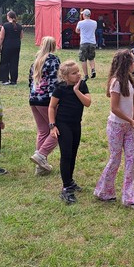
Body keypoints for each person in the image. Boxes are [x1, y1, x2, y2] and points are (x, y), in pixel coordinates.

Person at [94, 49, 134, 208]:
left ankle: (129, 196)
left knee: (130, 159)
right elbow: (114, 108)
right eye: (133, 61)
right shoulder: (116, 82)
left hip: (128, 127)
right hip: (116, 126)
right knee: (115, 159)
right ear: (126, 63)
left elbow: (132, 104)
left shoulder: (130, 81)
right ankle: (104, 191)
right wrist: (130, 120)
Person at [49, 60, 91, 204]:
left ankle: (70, 181)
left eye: (78, 71)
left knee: (73, 153)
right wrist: (52, 126)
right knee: (66, 154)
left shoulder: (82, 85)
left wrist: (77, 91)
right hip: (63, 124)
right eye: (74, 73)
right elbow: (51, 107)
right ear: (65, 76)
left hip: (76, 124)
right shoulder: (60, 88)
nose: (78, 74)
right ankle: (66, 187)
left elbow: (87, 103)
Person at [29, 36, 60, 176]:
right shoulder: (53, 60)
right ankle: (41, 155)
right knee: (58, 130)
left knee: (42, 131)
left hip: (34, 98)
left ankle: (40, 167)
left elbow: (30, 81)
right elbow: (54, 81)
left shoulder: (36, 60)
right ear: (54, 46)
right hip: (46, 100)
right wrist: (55, 100)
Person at [0, 11, 23, 85]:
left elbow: (1, 37)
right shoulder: (19, 26)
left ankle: (5, 79)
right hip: (16, 46)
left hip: (7, 45)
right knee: (14, 62)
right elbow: (21, 36)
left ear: (8, 16)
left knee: (4, 62)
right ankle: (13, 80)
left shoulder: (5, 25)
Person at [76, 9, 98, 79]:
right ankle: (93, 69)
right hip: (92, 42)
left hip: (84, 42)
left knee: (83, 59)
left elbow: (77, 31)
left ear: (84, 15)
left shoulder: (80, 23)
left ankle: (86, 75)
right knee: (91, 58)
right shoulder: (94, 22)